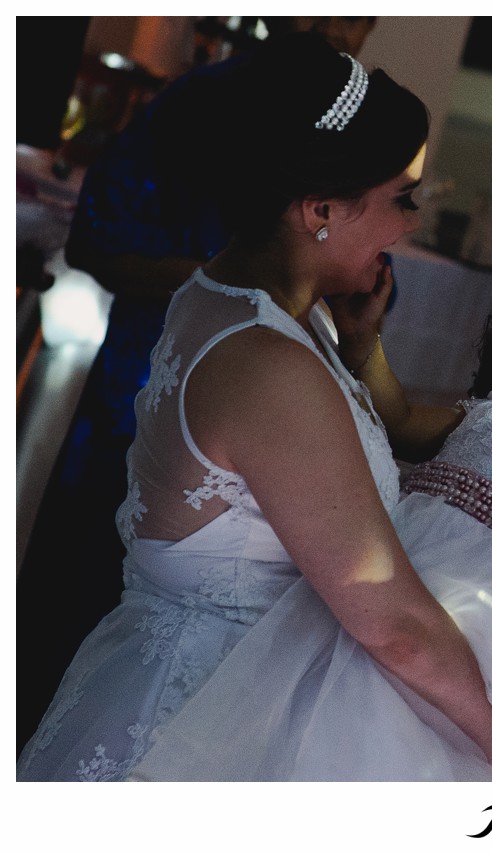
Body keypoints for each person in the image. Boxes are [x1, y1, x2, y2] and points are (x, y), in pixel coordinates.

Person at [17, 32, 492, 781]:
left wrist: (359, 349)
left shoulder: (236, 295)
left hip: (225, 702)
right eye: (400, 198)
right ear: (319, 207)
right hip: (196, 734)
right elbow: (393, 624)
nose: (408, 223)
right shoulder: (268, 364)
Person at [16, 18, 377, 753]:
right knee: (76, 626)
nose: (344, 27)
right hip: (145, 402)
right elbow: (95, 240)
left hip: (268, 457)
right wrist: (238, 287)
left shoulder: (360, 129)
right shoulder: (199, 102)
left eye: (362, 13)